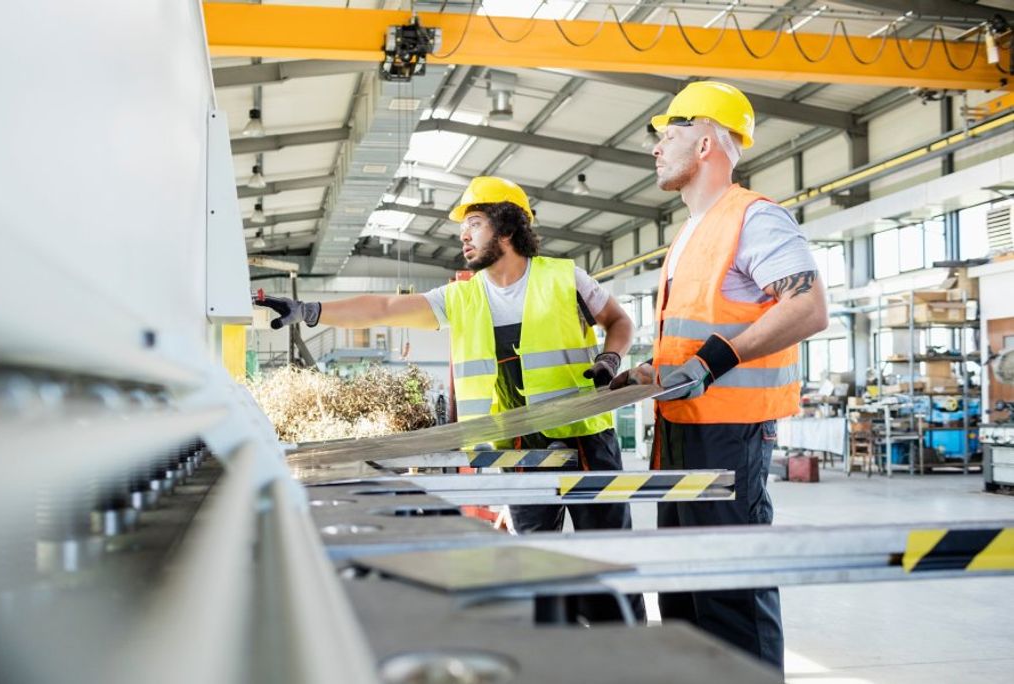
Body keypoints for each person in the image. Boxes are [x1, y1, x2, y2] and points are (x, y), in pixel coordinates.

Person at [255, 175, 642, 623]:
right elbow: (384, 310)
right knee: (535, 565)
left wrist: (611, 358)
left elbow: (619, 320)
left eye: (474, 222)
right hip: (517, 451)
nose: (463, 235)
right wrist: (309, 311)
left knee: (609, 562)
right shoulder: (461, 297)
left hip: (584, 441)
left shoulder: (563, 277)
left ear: (508, 228)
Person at [610, 82, 828, 670]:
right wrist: (649, 371)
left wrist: (714, 361)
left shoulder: (753, 217)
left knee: (731, 595)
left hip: (729, 438)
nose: (656, 149)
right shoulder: (687, 234)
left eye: (669, 135)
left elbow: (807, 308)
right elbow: (694, 338)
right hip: (678, 433)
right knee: (682, 596)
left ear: (706, 141)